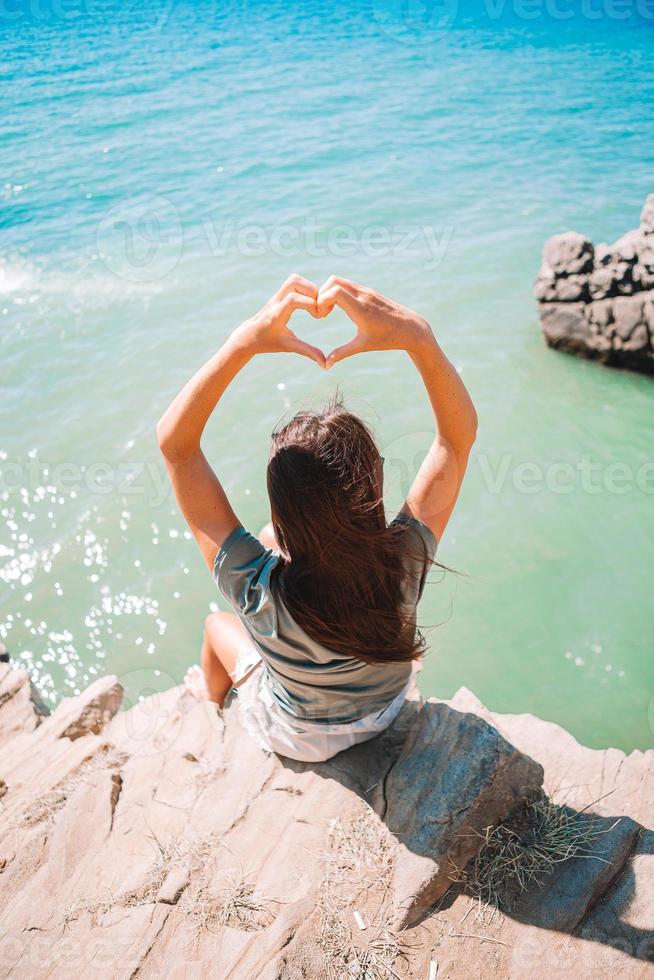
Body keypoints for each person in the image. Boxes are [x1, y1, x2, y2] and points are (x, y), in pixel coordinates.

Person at [156, 275, 477, 762]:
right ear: (373, 487)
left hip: (299, 734)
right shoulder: (405, 559)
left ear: (285, 512)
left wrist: (243, 342)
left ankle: (210, 705)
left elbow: (176, 448)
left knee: (217, 625)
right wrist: (416, 335)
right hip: (385, 710)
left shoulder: (253, 586)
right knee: (267, 557)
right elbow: (456, 439)